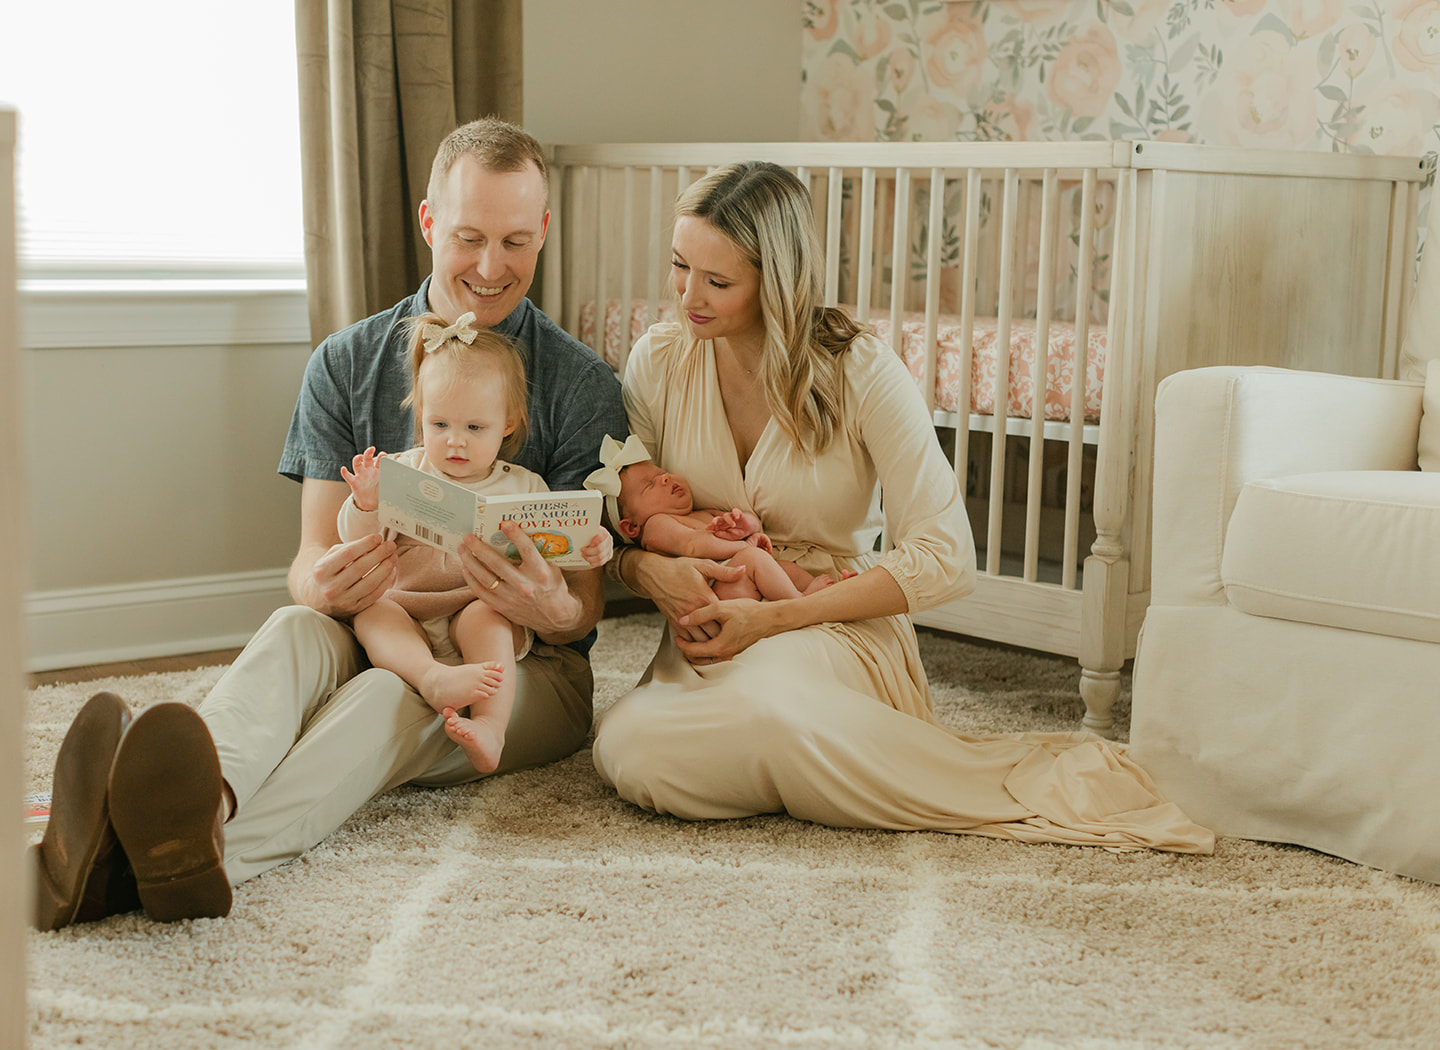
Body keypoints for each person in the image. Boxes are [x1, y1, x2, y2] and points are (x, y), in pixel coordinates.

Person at [30, 118, 629, 931]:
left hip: (522, 668)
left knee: (391, 699)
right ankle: (199, 802)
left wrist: (546, 606)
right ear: (427, 224)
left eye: (517, 241)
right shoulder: (346, 362)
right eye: (469, 238)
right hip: (382, 621)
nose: (492, 268)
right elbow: (310, 558)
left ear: (544, 232)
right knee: (290, 627)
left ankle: (163, 864)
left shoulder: (580, 381)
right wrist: (326, 579)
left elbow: (584, 610)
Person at [593, 161, 1214, 856]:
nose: (688, 297)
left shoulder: (859, 368)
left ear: (777, 281)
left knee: (765, 705)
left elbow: (946, 554)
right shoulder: (658, 360)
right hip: (709, 626)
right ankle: (792, 761)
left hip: (831, 621)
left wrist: (776, 614)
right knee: (626, 748)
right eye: (680, 267)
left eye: (718, 281)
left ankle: (790, 751)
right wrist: (650, 566)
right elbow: (623, 516)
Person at [335, 310, 612, 774]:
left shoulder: (524, 486)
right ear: (421, 416)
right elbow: (354, 544)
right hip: (409, 608)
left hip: (478, 606)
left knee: (488, 620)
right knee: (372, 610)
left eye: (474, 428)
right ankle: (431, 677)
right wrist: (365, 504)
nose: (455, 443)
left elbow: (558, 554)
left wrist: (591, 548)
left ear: (508, 423)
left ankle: (490, 727)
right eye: (439, 425)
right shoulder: (404, 473)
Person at [582, 432, 832, 603]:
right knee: (754, 558)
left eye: (662, 473)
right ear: (631, 526)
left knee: (786, 568)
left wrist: (745, 524)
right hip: (720, 590)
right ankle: (800, 602)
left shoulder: (701, 514)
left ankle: (827, 593)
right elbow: (692, 544)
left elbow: (749, 525)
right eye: (650, 485)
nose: (665, 478)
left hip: (741, 577)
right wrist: (744, 545)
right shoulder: (656, 526)